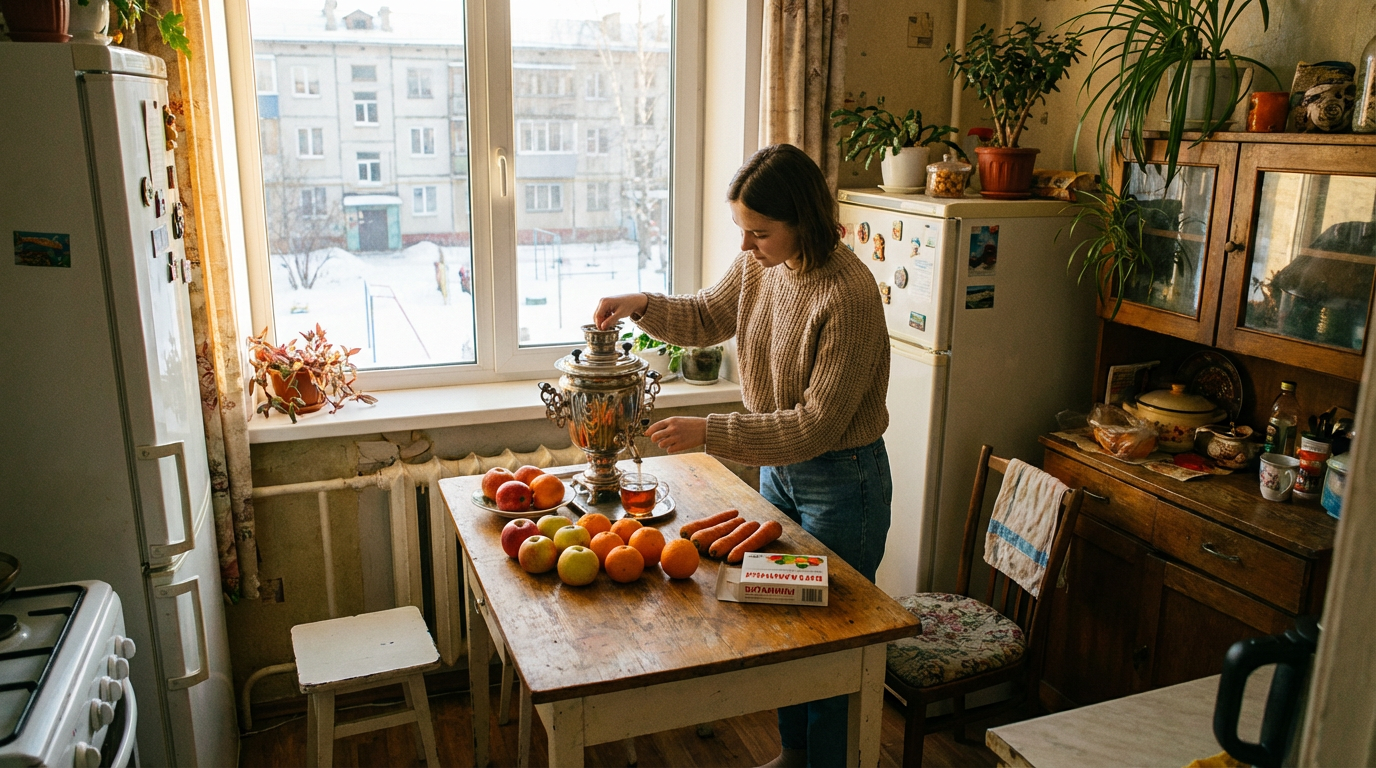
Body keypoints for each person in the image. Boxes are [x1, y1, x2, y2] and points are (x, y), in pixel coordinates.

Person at [593, 143, 892, 768]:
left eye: (759, 232)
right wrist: (640, 304)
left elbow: (813, 426)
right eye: (741, 229)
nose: (746, 245)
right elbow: (706, 316)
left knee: (833, 642)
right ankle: (794, 756)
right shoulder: (761, 265)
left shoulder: (849, 294)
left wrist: (710, 433)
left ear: (803, 221)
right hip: (779, 471)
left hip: (842, 482)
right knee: (786, 626)